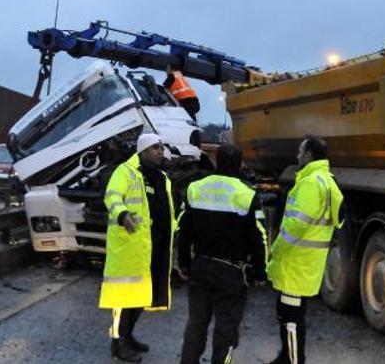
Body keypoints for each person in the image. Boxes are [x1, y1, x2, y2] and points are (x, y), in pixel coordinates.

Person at [177, 144, 268, 364]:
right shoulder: (246, 194)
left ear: (217, 161)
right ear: (239, 163)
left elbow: (183, 229)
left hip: (200, 266)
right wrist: (259, 272)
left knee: (196, 324)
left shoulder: (196, 188)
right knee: (226, 328)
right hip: (230, 272)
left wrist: (184, 264)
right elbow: (259, 237)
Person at [266, 135, 344, 364]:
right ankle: (286, 357)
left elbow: (295, 226)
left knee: (290, 318)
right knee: (291, 314)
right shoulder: (326, 180)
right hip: (306, 264)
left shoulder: (310, 183)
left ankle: (293, 360)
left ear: (309, 155)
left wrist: (276, 249)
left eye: (300, 152)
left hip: (295, 263)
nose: (297, 156)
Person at [101, 132, 177, 363]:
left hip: (153, 247)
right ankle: (117, 344)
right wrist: (122, 214)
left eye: (161, 148)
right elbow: (111, 197)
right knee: (122, 300)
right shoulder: (125, 172)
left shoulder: (162, 177)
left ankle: (128, 335)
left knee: (141, 297)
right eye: (155, 148)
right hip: (129, 249)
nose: (160, 151)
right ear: (142, 151)